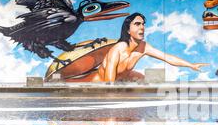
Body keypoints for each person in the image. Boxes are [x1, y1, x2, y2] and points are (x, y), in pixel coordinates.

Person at [67, 12, 208, 82]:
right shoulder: (118, 49)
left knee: (143, 79)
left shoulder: (144, 47)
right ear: (128, 30)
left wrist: (190, 65)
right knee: (68, 85)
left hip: (122, 81)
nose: (142, 27)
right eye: (137, 24)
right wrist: (114, 96)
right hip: (96, 83)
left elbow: (167, 57)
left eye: (143, 24)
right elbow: (109, 80)